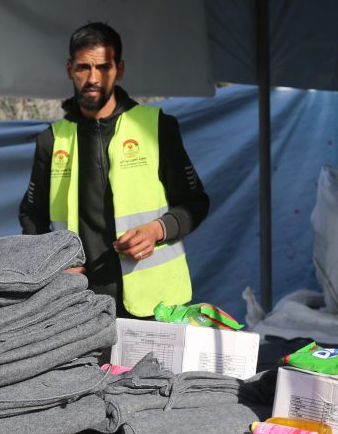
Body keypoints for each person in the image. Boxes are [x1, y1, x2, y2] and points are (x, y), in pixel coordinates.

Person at [18, 21, 210, 318]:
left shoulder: (157, 127)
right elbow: (32, 215)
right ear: (70, 69)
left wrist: (157, 230)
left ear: (119, 69)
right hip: (77, 304)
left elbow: (196, 202)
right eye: (83, 68)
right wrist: (50, 264)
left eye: (103, 67)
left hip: (154, 305)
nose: (93, 78)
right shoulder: (51, 140)